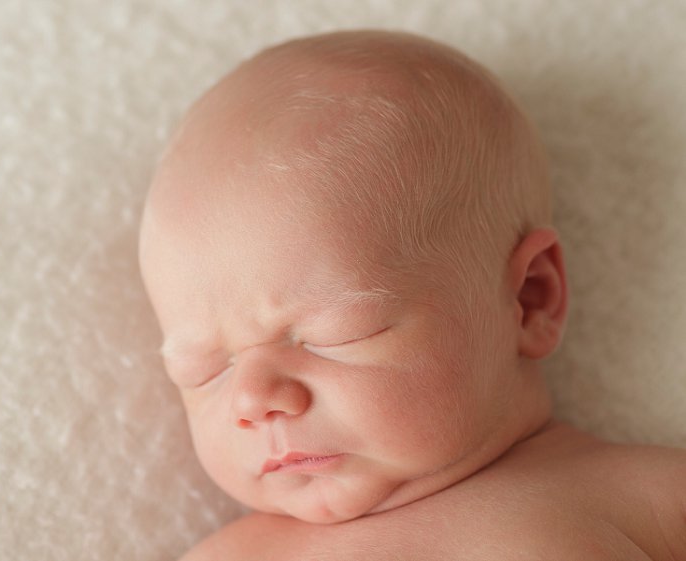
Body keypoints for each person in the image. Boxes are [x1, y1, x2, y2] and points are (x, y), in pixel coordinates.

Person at [138, 30, 686, 559]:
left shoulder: (642, 497)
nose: (253, 400)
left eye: (336, 334)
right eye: (203, 369)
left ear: (530, 299)